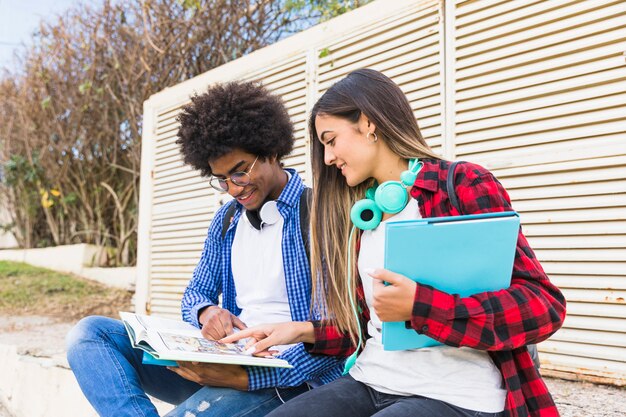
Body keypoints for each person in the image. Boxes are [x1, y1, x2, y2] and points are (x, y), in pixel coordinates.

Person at [223, 69, 567, 417]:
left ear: (368, 123)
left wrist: (420, 306)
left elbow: (543, 306)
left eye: (331, 140)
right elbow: (366, 330)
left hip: (457, 392)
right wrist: (298, 331)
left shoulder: (462, 185)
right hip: (372, 379)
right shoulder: (365, 214)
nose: (327, 158)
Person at [65, 81, 344, 417]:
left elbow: (338, 333)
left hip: (287, 380)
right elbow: (195, 294)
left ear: (271, 151)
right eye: (220, 178)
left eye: (239, 172)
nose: (232, 189)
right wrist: (206, 313)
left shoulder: (320, 214)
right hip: (226, 359)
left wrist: (247, 375)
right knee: (90, 334)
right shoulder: (226, 220)